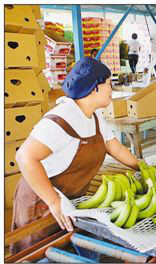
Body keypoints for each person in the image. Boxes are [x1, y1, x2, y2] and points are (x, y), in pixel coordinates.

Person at [11, 57, 140, 254]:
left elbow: (118, 150)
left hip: (70, 200)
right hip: (41, 200)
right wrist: (53, 201)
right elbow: (25, 157)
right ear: (94, 88)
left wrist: (146, 168)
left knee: (64, 248)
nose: (111, 89)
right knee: (38, 252)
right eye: (108, 83)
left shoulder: (94, 118)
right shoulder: (61, 118)